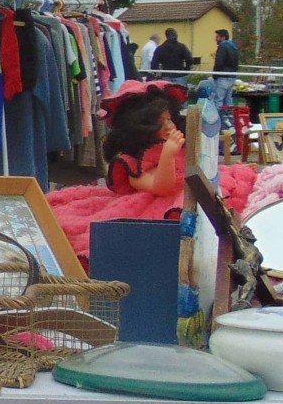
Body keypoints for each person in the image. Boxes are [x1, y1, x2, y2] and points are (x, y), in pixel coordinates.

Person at [44, 81, 257, 265]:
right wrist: (167, 156)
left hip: (193, 196)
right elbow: (161, 187)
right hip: (156, 209)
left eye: (169, 119)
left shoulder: (177, 146)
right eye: (160, 122)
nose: (169, 126)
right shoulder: (131, 163)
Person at [210, 28, 241, 107]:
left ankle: (219, 119)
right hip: (232, 76)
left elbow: (219, 62)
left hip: (222, 77)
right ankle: (229, 117)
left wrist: (215, 75)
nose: (215, 39)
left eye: (217, 37)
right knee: (228, 100)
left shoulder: (222, 46)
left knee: (218, 100)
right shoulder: (234, 46)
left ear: (223, 37)